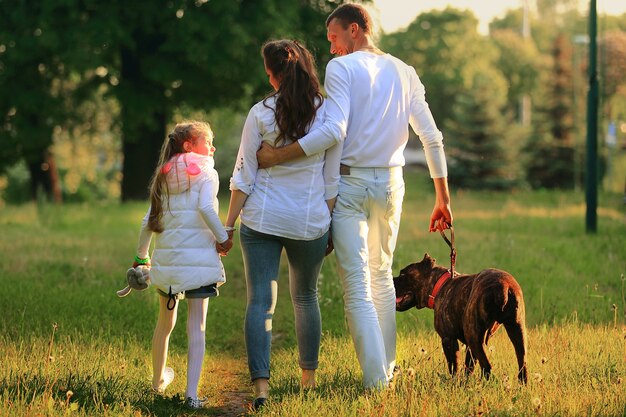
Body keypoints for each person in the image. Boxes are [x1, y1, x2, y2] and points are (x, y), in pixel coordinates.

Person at [256, 3, 453, 389]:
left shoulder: (342, 69)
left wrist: (279, 156)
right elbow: (431, 135)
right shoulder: (405, 71)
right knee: (380, 277)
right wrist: (442, 197)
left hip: (352, 184)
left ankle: (378, 382)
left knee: (358, 287)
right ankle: (386, 374)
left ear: (355, 29)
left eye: (333, 37)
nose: (330, 48)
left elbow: (334, 131)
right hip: (393, 185)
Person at [222, 39, 340, 409]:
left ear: (272, 76)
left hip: (261, 219)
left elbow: (244, 176)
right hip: (309, 221)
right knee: (306, 297)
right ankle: (309, 383)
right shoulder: (327, 112)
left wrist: (227, 225)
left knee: (260, 301)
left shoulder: (260, 113)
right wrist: (330, 225)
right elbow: (332, 180)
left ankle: (260, 389)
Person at [131, 121, 233, 409]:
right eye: (208, 142)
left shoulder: (162, 176)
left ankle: (156, 383)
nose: (212, 148)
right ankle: (191, 396)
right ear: (189, 145)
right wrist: (223, 237)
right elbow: (205, 209)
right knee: (196, 327)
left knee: (164, 325)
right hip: (198, 263)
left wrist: (142, 256)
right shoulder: (207, 173)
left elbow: (146, 221)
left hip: (167, 265)